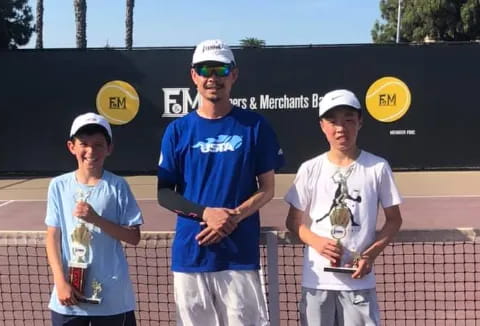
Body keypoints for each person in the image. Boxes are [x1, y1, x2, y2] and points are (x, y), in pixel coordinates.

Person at [157, 39, 284, 326]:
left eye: (221, 70)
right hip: (191, 257)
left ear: (234, 75)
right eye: (204, 70)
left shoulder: (255, 126)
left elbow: (268, 188)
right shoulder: (177, 131)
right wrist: (206, 214)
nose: (213, 78)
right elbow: (165, 193)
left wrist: (233, 217)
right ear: (194, 76)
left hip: (238, 257)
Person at [284, 89, 403, 326]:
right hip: (317, 282)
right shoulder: (310, 168)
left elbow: (394, 220)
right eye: (333, 121)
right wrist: (318, 242)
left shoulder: (378, 167)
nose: (341, 128)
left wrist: (369, 256)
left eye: (348, 119)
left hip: (360, 282)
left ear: (360, 122)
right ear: (322, 126)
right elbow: (293, 222)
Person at [45, 112, 143, 326]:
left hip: (113, 299)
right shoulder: (58, 186)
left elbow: (134, 237)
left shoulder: (118, 186)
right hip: (69, 296)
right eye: (84, 144)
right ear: (72, 147)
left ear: (109, 148)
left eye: (98, 144)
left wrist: (96, 219)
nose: (90, 151)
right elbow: (52, 237)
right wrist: (60, 282)